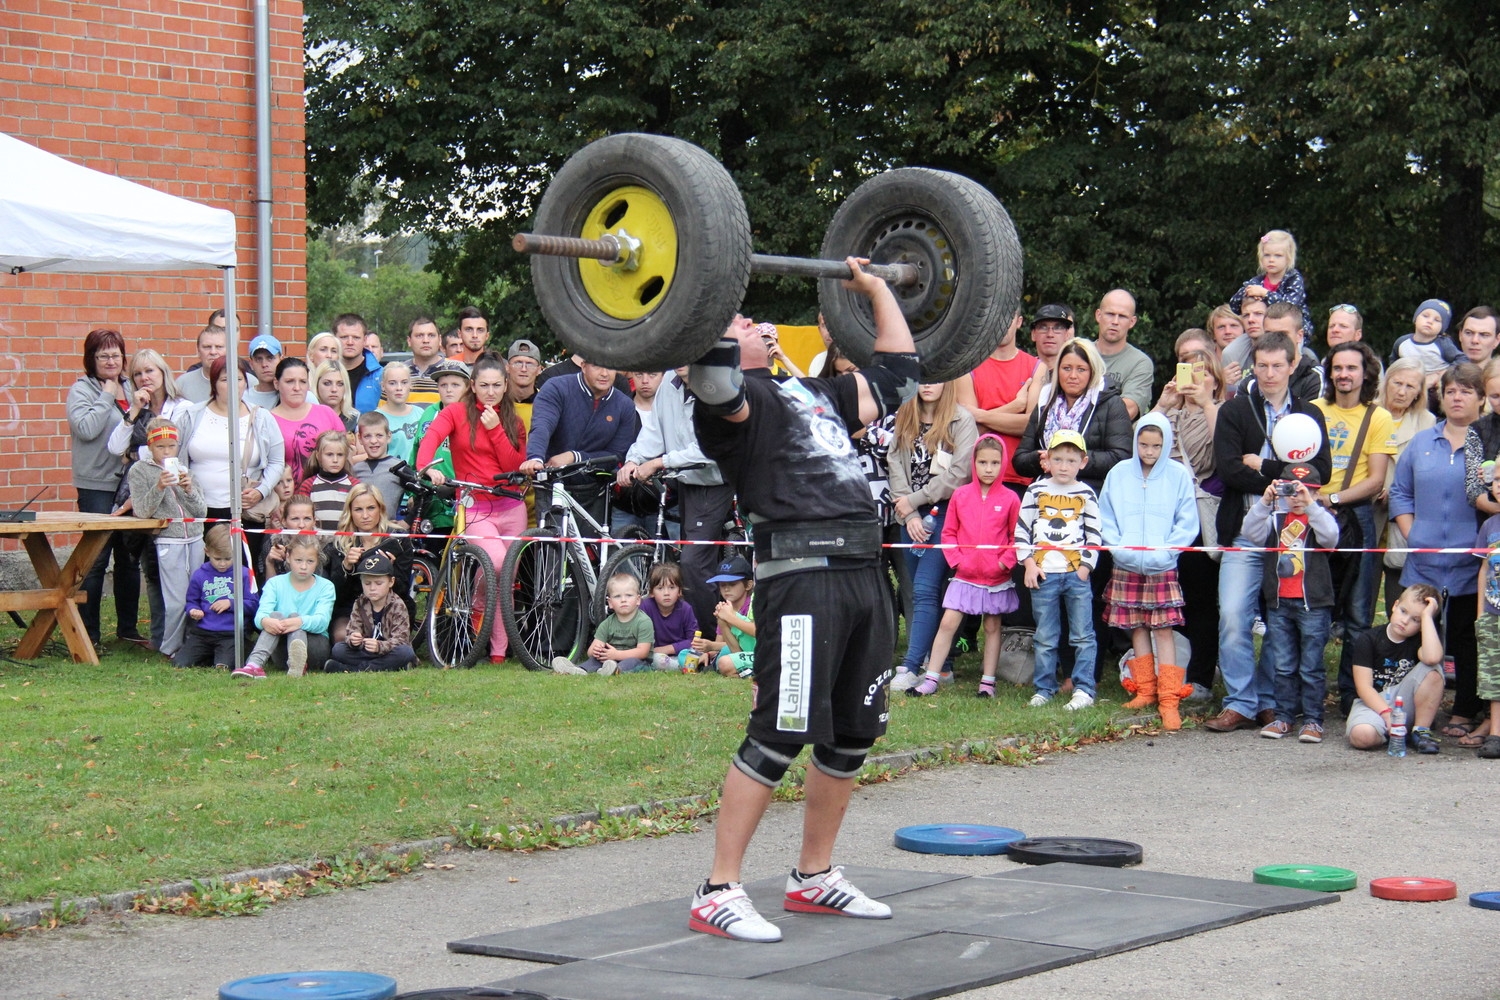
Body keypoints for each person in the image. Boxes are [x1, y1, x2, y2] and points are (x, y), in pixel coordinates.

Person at [685, 259, 916, 943]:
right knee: (781, 729)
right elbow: (714, 372)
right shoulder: (729, 409)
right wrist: (709, 295)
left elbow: (901, 375)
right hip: (801, 575)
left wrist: (875, 289)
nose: (751, 320)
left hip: (861, 571)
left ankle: (813, 877)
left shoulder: (815, 392)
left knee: (851, 734)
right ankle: (718, 888)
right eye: (736, 319)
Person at [1205, 331, 1332, 733]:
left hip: (1293, 537)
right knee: (1233, 616)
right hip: (1246, 529)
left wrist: (1262, 466)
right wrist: (1284, 477)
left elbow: (1321, 473)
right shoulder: (1235, 410)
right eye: (1262, 365)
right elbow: (1228, 469)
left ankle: (1269, 700)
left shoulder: (1311, 414)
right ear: (1253, 366)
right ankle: (1239, 700)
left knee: (1283, 621)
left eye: (1279, 365)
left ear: (1293, 365)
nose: (1270, 373)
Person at [1390, 362, 1488, 746]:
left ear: (1481, 398)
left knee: (1467, 639)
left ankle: (1465, 708)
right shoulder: (1420, 443)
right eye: (1450, 391)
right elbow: (1400, 492)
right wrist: (1413, 533)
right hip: (1423, 562)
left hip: (1472, 563)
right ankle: (1411, 710)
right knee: (1417, 638)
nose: (1457, 397)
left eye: (1466, 391)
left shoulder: (1488, 444)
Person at [415, 355, 528, 662]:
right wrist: (427, 466)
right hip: (476, 504)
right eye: (483, 386)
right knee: (493, 560)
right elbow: (432, 437)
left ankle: (499, 653)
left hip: (511, 504)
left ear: (505, 386)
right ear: (473, 386)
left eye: (496, 385)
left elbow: (514, 466)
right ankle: (480, 616)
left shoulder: (513, 420)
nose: (490, 392)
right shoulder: (455, 412)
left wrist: (495, 430)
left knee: (509, 572)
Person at [1099, 415, 1199, 729]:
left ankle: (1169, 697)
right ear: (1135, 442)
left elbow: (1187, 519)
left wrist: (1168, 551)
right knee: (1136, 625)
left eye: (1157, 445)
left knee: (1163, 628)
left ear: (1167, 443)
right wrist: (1118, 547)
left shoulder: (1178, 474)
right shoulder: (1118, 473)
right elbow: (1106, 515)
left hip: (1162, 564)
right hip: (1127, 562)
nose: (1150, 451)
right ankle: (1145, 688)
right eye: (1143, 444)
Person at [1313, 341, 1396, 712]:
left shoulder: (1377, 417)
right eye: (1338, 368)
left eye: (1352, 368)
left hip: (1355, 515)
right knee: (1311, 609)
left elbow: (1376, 479)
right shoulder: (1313, 410)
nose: (1344, 374)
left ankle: (1351, 694)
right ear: (1330, 373)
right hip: (1310, 516)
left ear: (1366, 373)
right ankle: (1308, 695)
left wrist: (1332, 500)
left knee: (1360, 613)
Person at [904, 435, 1019, 699]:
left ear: (1002, 464)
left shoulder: (1011, 499)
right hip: (964, 576)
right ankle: (931, 678)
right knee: (947, 624)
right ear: (973, 463)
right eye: (982, 462)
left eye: (994, 462)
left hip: (996, 578)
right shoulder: (960, 495)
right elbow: (949, 533)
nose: (988, 468)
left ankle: (988, 683)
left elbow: (1016, 538)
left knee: (991, 627)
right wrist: (958, 561)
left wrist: (1004, 562)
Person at [620, 364, 733, 632]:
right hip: (686, 482)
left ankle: (707, 639)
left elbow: (712, 448)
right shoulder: (669, 381)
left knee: (693, 563)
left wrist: (660, 462)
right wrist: (633, 460)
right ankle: (690, 632)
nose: (681, 359)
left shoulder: (717, 384)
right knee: (691, 559)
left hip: (717, 480)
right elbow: (654, 433)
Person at [886, 382, 976, 692]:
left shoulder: (961, 419)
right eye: (923, 377)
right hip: (908, 518)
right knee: (921, 592)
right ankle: (944, 666)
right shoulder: (904, 416)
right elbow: (895, 465)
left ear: (948, 382)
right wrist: (909, 513)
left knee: (925, 589)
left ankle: (911, 667)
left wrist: (917, 499)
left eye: (936, 377)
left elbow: (961, 473)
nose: (928, 384)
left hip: (946, 516)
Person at [1241, 472, 1338, 743]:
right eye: (1292, 492)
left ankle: (1313, 720)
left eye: (1305, 492)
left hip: (1314, 604)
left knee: (1311, 667)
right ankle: (1283, 717)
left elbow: (1331, 538)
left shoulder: (1320, 519)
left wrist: (1312, 506)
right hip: (1280, 602)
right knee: (1283, 665)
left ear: (1317, 494)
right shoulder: (1275, 519)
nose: (1297, 499)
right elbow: (1249, 532)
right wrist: (1265, 502)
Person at [1152, 347, 1226, 703]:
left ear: (1216, 379)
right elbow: (1142, 446)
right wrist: (1164, 404)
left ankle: (1201, 675)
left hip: (1199, 514)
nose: (1195, 380)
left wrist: (1208, 403)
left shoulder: (1224, 411)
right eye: (1189, 372)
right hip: (1164, 516)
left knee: (1198, 599)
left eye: (1204, 373)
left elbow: (1224, 451)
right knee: (1167, 597)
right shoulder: (1171, 416)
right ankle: (1172, 670)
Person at [109, 348, 193, 649]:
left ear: (163, 373)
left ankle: (183, 638)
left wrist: (136, 453)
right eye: (138, 373)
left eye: (150, 371)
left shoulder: (183, 409)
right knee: (151, 570)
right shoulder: (137, 411)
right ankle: (160, 637)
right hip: (144, 494)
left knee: (177, 574)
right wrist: (133, 412)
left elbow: (176, 451)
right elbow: (114, 446)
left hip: (174, 496)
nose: (145, 378)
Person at [1015, 430, 1101, 709]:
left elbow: (1095, 534)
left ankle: (1084, 688)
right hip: (1043, 574)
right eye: (1058, 459)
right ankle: (1044, 687)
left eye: (1071, 460)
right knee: (1045, 636)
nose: (1064, 466)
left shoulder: (1086, 493)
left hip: (1076, 575)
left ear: (1083, 462)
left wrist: (1085, 568)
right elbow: (1022, 530)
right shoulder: (1035, 490)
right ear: (1047, 460)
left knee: (1082, 634)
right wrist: (1028, 563)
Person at [68, 327, 143, 649]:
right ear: (91, 359)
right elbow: (86, 429)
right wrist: (106, 396)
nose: (111, 361)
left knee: (128, 558)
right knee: (96, 558)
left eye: (116, 355)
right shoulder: (81, 389)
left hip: (128, 485)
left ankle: (127, 628)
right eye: (103, 356)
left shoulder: (131, 386)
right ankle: (89, 633)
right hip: (96, 485)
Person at [175, 356, 286, 567]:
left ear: (246, 383)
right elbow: (176, 456)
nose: (234, 385)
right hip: (199, 510)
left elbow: (276, 461)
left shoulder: (262, 418)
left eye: (239, 379)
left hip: (245, 509)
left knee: (243, 573)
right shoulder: (191, 415)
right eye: (226, 379)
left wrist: (261, 491)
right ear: (214, 383)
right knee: (203, 574)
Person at [521, 359, 639, 526]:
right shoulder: (556, 387)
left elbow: (616, 454)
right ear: (583, 366)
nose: (604, 373)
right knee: (552, 547)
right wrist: (535, 457)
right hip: (552, 484)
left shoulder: (624, 405)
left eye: (611, 366)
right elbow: (542, 425)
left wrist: (575, 457)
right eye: (597, 365)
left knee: (591, 549)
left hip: (593, 490)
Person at [126, 419, 206, 658]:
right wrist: (159, 487)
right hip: (168, 540)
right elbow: (142, 510)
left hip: (195, 537)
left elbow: (201, 512)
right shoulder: (139, 470)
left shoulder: (185, 469)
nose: (167, 451)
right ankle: (170, 647)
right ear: (150, 446)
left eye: (171, 446)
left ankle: (194, 643)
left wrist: (189, 489)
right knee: (175, 601)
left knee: (196, 597)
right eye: (161, 447)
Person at [1013, 338, 1132, 495]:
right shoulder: (1046, 401)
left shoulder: (1111, 404)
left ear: (1092, 371)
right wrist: (1041, 460)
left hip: (1090, 495)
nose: (1073, 376)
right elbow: (1020, 459)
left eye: (1081, 369)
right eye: (1067, 368)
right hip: (1044, 495)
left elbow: (1121, 458)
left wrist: (1069, 460)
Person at [1346, 584, 1445, 753]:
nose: (1405, 621)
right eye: (1403, 611)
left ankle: (1420, 731)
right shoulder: (1368, 639)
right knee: (1362, 736)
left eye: (1416, 619)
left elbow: (1432, 658)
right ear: (1395, 605)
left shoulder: (1421, 640)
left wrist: (1427, 617)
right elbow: (1363, 687)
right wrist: (1386, 715)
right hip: (1374, 702)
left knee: (1433, 670)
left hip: (1405, 703)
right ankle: (1390, 733)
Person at [1376, 358, 1436, 617]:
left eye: (1410, 386)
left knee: (1397, 575)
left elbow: (1426, 468)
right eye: (1397, 383)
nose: (1401, 391)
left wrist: (1399, 492)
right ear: (1386, 382)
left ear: (1419, 393)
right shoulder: (1370, 411)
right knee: (1362, 584)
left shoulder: (1427, 421)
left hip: (1404, 511)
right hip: (1369, 506)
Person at [320, 483, 416, 642]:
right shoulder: (340, 543)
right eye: (358, 509)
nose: (365, 515)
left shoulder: (398, 539)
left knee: (388, 641)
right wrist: (346, 566)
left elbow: (403, 589)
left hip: (391, 608)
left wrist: (389, 570)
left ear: (381, 509)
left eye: (371, 508)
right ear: (350, 512)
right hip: (351, 608)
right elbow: (335, 594)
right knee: (343, 638)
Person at [954, 309, 1036, 495]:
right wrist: (1015, 407)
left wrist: (980, 415)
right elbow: (970, 431)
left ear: (1019, 321)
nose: (1001, 324)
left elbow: (1030, 425)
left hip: (1020, 476)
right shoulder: (967, 367)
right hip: (975, 479)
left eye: (1007, 317)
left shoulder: (1036, 367)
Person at [236, 534, 334, 679]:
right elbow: (260, 615)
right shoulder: (274, 583)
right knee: (274, 616)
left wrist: (298, 622)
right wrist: (265, 621)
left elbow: (322, 621)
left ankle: (298, 664)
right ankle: (254, 665)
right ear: (288, 557)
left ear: (318, 561)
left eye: (310, 561)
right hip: (281, 648)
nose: (303, 566)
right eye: (298, 560)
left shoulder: (326, 586)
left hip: (314, 648)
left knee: (294, 617)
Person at [175, 525, 259, 670]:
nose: (222, 563)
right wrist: (193, 610)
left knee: (223, 666)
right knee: (180, 663)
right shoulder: (199, 575)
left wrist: (231, 603)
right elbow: (191, 601)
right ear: (207, 552)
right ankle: (212, 654)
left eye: (228, 558)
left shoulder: (244, 574)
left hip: (231, 634)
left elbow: (254, 604)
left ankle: (242, 649)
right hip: (203, 633)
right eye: (217, 558)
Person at [324, 550, 416, 672]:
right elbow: (352, 629)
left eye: (378, 583)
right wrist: (353, 639)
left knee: (405, 652)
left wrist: (380, 646)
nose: (372, 588)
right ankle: (385, 667)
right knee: (338, 649)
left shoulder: (397, 605)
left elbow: (401, 640)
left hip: (388, 651)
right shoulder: (360, 603)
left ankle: (353, 669)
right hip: (366, 651)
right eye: (367, 583)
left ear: (391, 582)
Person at [553, 572, 653, 675]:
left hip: (639, 660)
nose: (623, 600)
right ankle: (578, 670)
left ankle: (615, 670)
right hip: (611, 659)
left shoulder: (643, 621)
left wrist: (616, 654)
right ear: (610, 603)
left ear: (638, 600)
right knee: (594, 661)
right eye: (617, 596)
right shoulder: (607, 623)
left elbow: (643, 652)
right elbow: (590, 652)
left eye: (628, 595)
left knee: (632, 662)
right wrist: (596, 650)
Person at [269, 358, 345, 487]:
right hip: (287, 500)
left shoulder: (326, 413)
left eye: (303, 382)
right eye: (290, 381)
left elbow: (346, 454)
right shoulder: (267, 420)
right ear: (276, 383)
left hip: (328, 494)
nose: (297, 388)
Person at [1228, 229, 1312, 336]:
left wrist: (1265, 294)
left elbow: (1288, 307)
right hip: (1261, 331)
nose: (1271, 260)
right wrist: (1248, 291)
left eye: (1278, 255)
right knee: (1230, 352)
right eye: (1267, 255)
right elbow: (1234, 305)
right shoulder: (1257, 282)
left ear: (1288, 258)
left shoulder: (1293, 279)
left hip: (1290, 333)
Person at [1470, 483, 1500, 759]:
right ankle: (1496, 735)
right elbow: (1483, 569)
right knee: (1493, 676)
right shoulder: (1490, 525)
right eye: (1498, 479)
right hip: (1493, 613)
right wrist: (1480, 612)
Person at [1091, 289, 1154, 420]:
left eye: (1122, 316)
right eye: (1110, 314)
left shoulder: (1140, 363)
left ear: (1132, 322)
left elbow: (1127, 410)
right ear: (1098, 315)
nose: (1115, 321)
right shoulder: (1079, 354)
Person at [697, 554, 757, 678]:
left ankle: (758, 673)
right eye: (722, 585)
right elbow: (736, 652)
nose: (726, 589)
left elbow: (760, 632)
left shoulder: (754, 602)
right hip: (743, 654)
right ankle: (747, 672)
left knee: (724, 659)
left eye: (732, 584)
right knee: (686, 654)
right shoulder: (724, 608)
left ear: (748, 585)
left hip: (763, 652)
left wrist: (730, 617)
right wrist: (722, 621)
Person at [351, 411, 413, 525]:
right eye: (367, 436)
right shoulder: (354, 469)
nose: (373, 441)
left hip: (387, 534)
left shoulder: (399, 467)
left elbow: (423, 496)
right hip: (360, 534)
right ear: (359, 438)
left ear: (388, 436)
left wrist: (406, 522)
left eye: (379, 435)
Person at [295, 430, 359, 532]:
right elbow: (302, 515)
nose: (335, 460)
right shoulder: (308, 485)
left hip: (345, 542)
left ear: (346, 456)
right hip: (316, 543)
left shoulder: (355, 486)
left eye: (340, 455)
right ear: (318, 456)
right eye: (329, 454)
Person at [641, 562, 699, 671]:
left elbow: (693, 640)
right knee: (656, 659)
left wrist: (667, 649)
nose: (666, 593)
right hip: (654, 654)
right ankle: (679, 667)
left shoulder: (685, 609)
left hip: (680, 653)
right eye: (660, 588)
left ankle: (679, 665)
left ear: (680, 591)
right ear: (652, 592)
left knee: (694, 653)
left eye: (672, 587)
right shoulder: (646, 607)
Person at [1390, 298, 1459, 385]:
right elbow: (1394, 362)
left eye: (1437, 320)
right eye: (1425, 316)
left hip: (1435, 388)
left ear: (1442, 327)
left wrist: (1443, 374)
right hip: (1408, 385)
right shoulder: (1402, 342)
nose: (1430, 321)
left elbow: (1462, 359)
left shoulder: (1443, 344)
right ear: (1416, 318)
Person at [333, 313, 384, 412]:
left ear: (364, 340)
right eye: (344, 337)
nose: (350, 342)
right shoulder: (323, 374)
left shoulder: (381, 376)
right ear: (334, 338)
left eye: (356, 337)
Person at [261, 494, 316, 582]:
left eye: (307, 519)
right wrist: (269, 563)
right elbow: (268, 590)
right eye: (295, 519)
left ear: (314, 521)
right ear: (284, 521)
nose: (301, 525)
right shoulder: (273, 541)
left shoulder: (324, 544)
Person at [376, 362, 423, 457]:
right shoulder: (375, 418)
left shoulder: (421, 414)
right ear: (383, 386)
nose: (399, 388)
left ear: (410, 384)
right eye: (392, 383)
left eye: (404, 382)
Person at [175, 325, 227, 403]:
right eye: (207, 347)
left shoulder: (246, 381)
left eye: (219, 347)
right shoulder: (182, 384)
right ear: (198, 351)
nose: (213, 352)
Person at [403, 316, 445, 408]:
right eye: (419, 336)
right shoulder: (398, 372)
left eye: (431, 335)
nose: (426, 341)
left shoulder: (454, 370)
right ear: (409, 341)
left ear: (440, 340)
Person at [311, 358, 359, 434]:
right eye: (327, 383)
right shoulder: (307, 417)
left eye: (340, 384)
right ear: (317, 385)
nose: (334, 389)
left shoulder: (355, 419)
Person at [506, 339, 544, 423]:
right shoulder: (497, 400)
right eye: (518, 363)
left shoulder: (546, 402)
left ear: (539, 370)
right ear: (507, 367)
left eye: (530, 364)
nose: (523, 369)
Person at [244, 334, 281, 408]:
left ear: (281, 360)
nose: (264, 364)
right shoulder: (243, 399)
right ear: (251, 364)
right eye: (259, 359)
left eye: (270, 358)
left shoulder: (294, 394)